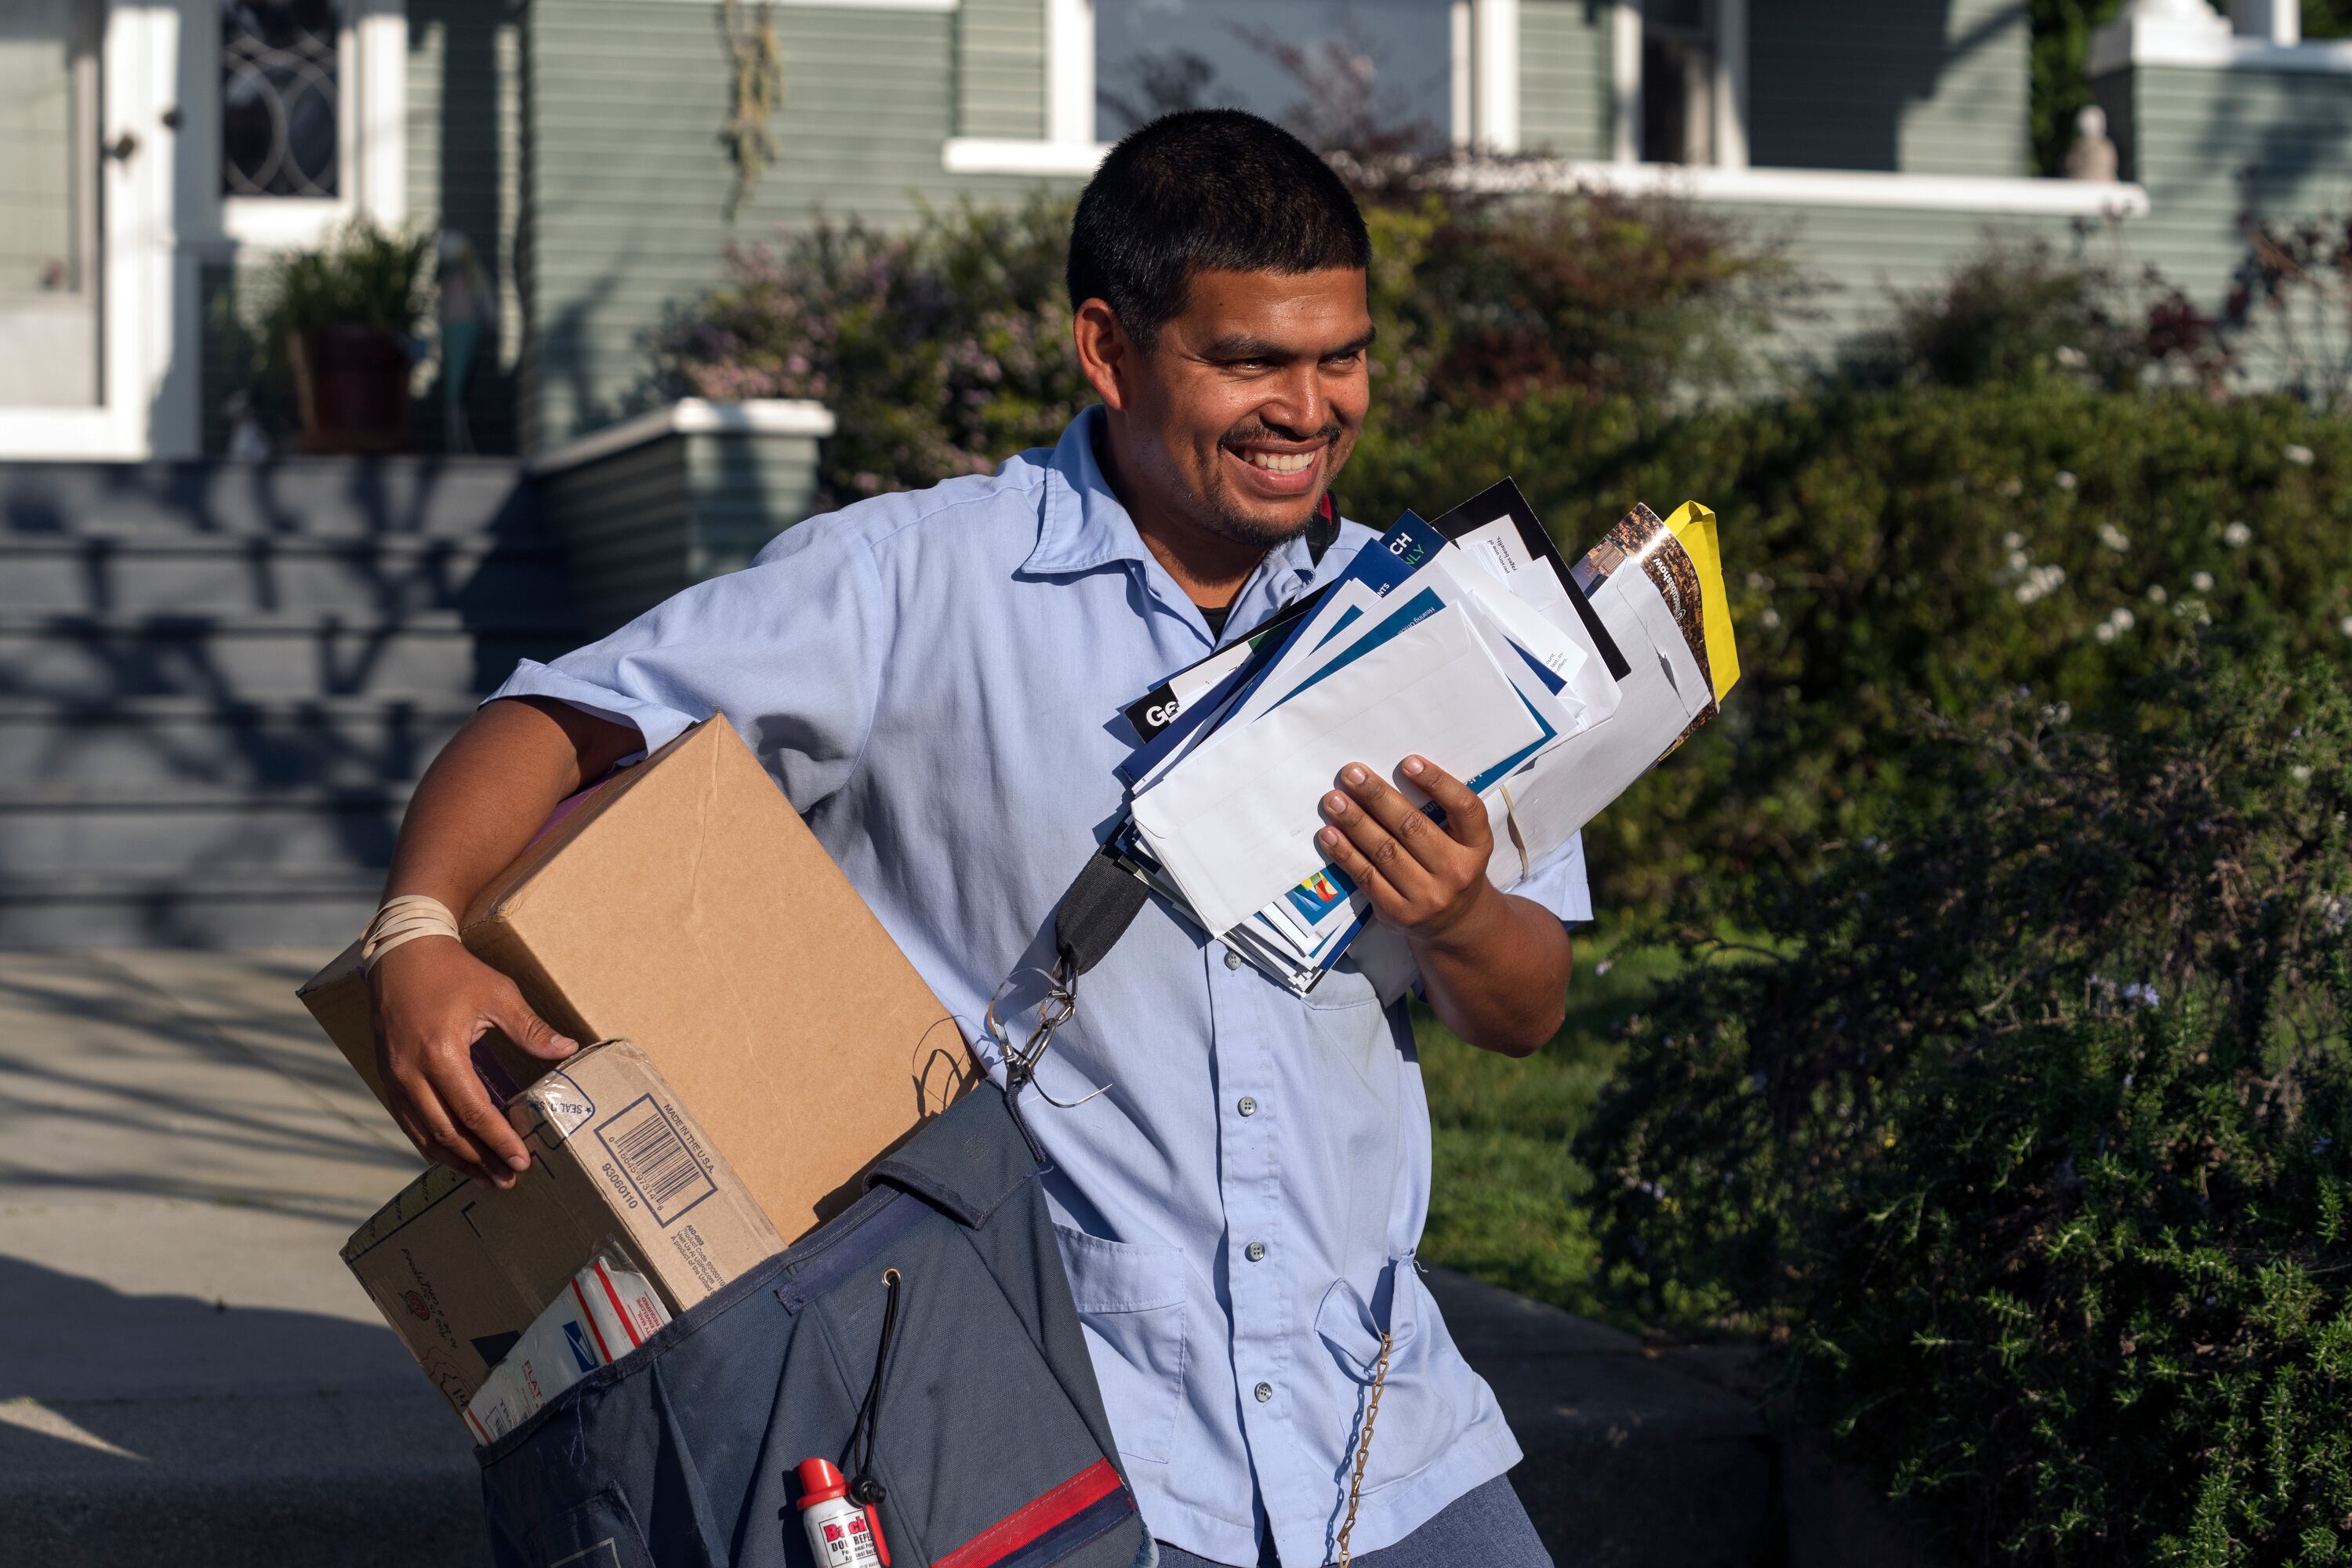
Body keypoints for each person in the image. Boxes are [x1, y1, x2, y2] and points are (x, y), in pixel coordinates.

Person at [368, 109, 1578, 1568]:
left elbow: (1525, 1007)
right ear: (1107, 349)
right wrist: (420, 930)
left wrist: (1455, 914)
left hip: (1389, 1439)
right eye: (1249, 361)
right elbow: (565, 711)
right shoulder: (914, 581)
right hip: (1049, 1439)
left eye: (1343, 356)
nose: (1309, 408)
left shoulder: (1422, 628)